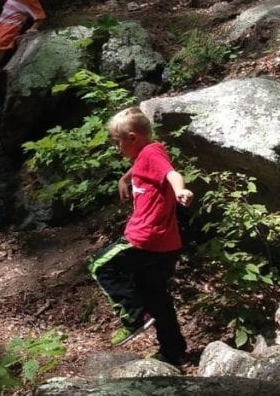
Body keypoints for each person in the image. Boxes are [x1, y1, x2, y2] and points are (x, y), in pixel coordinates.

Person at [89, 106, 194, 367]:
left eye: (117, 142)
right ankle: (173, 351)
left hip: (146, 239)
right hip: (167, 245)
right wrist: (124, 179)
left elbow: (171, 174)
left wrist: (181, 191)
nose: (117, 148)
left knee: (101, 266)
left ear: (133, 138)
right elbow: (143, 168)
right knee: (155, 293)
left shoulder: (151, 153)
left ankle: (134, 317)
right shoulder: (146, 155)